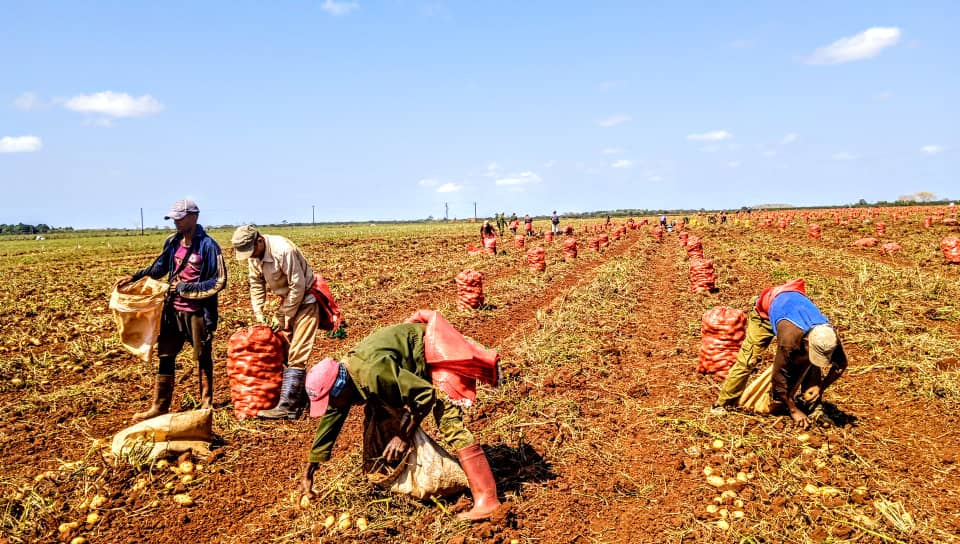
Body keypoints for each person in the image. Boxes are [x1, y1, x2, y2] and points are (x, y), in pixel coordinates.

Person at [299, 317, 502, 521]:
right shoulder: (348, 377)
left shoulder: (372, 372)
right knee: (379, 409)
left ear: (340, 387)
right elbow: (335, 414)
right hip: (419, 361)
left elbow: (425, 395)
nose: (332, 406)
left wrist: (403, 436)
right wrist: (312, 465)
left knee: (449, 424)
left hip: (439, 354)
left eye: (331, 400)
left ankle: (487, 500)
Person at [124, 199, 227, 421]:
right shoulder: (172, 243)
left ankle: (206, 404)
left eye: (180, 218)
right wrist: (134, 277)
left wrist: (183, 287)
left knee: (202, 357)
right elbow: (159, 268)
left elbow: (219, 281)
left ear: (194, 217)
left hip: (198, 312)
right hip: (172, 310)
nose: (176, 223)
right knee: (166, 355)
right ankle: (159, 406)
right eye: (174, 219)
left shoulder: (209, 246)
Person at [711, 279, 847, 428]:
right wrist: (793, 410)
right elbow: (778, 378)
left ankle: (815, 409)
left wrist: (821, 386)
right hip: (764, 313)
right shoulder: (789, 338)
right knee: (749, 360)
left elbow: (841, 364)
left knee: (809, 361)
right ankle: (723, 403)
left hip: (791, 308)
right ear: (807, 341)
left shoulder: (828, 335)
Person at [231, 225, 331, 419]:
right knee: (284, 349)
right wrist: (259, 311)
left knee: (297, 352)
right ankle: (301, 397)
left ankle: (288, 407)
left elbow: (298, 285)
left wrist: (284, 314)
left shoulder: (283, 250)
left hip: (305, 301)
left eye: (251, 251)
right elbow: (256, 283)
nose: (251, 256)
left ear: (259, 241)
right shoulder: (255, 257)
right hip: (287, 301)